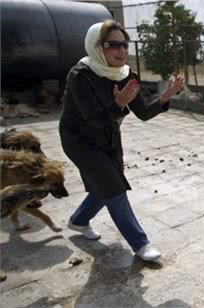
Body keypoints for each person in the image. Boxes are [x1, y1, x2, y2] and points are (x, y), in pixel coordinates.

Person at [59, 20, 184, 262]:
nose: (122, 51)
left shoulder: (127, 75)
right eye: (113, 45)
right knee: (113, 186)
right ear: (97, 46)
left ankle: (78, 220)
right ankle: (140, 243)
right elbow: (92, 119)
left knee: (104, 184)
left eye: (124, 45)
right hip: (79, 140)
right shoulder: (80, 75)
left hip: (108, 137)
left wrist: (165, 96)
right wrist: (117, 104)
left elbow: (143, 112)